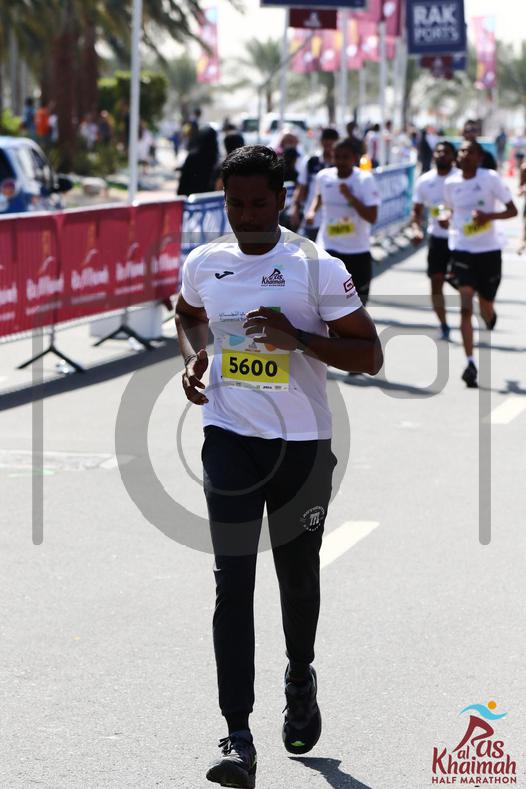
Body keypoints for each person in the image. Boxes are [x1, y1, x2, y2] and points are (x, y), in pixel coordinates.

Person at [175, 145, 382, 789]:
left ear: (283, 198)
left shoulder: (316, 268)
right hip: (229, 436)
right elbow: (187, 315)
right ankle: (237, 736)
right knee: (232, 582)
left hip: (301, 445)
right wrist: (195, 356)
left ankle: (299, 674)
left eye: (258, 203)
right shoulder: (204, 262)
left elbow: (369, 354)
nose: (246, 216)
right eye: (235, 203)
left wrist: (298, 340)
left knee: (296, 576)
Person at [442, 140, 517, 388]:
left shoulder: (490, 179)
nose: (465, 155)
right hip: (463, 250)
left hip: (489, 251)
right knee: (465, 308)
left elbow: (512, 210)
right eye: (462, 151)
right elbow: (450, 210)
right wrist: (445, 218)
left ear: (480, 157)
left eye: (470, 152)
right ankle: (470, 363)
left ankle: (489, 314)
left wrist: (488, 216)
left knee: (485, 306)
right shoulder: (451, 183)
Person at [305, 136, 381, 308]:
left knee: (358, 304)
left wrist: (350, 197)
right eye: (337, 157)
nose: (340, 161)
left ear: (355, 158)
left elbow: (372, 217)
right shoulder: (324, 176)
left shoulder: (364, 180)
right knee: (325, 303)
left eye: (345, 157)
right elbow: (319, 196)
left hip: (357, 250)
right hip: (328, 247)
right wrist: (312, 211)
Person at [411, 141, 457, 340]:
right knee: (436, 282)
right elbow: (417, 210)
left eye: (446, 152)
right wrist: (416, 229)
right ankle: (444, 324)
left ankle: (474, 311)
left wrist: (452, 217)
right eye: (438, 151)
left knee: (465, 285)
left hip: (461, 241)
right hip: (437, 240)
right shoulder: (425, 180)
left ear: (453, 157)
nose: (441, 154)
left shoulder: (461, 178)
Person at [288, 127, 339, 241]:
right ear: (321, 141)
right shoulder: (311, 161)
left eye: (332, 140)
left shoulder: (342, 164)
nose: (329, 143)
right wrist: (295, 209)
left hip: (336, 220)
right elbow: (301, 186)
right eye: (326, 139)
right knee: (312, 249)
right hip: (313, 218)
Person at [177, 125, 219, 196]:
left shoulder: (192, 156)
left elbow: (184, 180)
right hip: (209, 198)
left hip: (192, 197)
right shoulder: (215, 159)